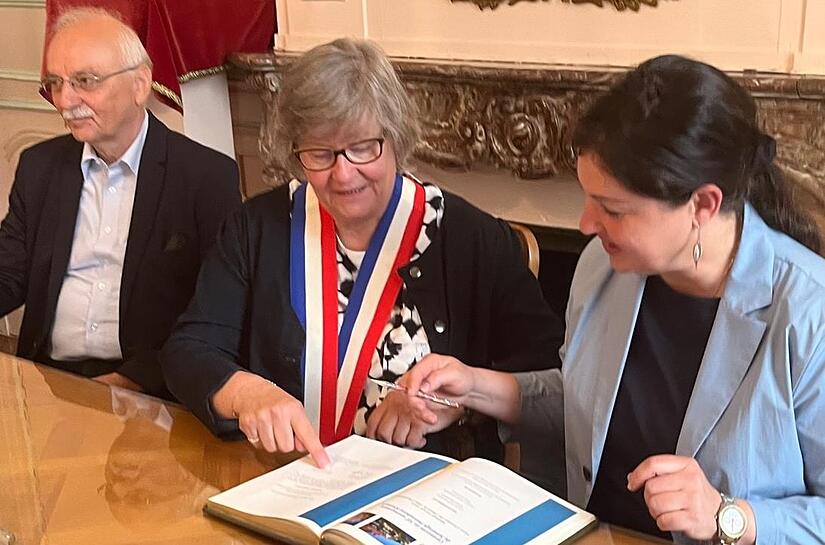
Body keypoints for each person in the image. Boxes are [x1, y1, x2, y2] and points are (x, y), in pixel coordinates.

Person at [401, 55, 825, 544]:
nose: (586, 224)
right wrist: (475, 388)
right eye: (587, 199)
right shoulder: (604, 268)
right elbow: (591, 406)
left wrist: (729, 516)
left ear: (703, 205)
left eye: (613, 209)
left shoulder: (807, 313)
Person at [161, 38, 562, 468]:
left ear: (396, 138)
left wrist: (456, 402)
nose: (343, 172)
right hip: (287, 478)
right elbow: (189, 348)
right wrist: (245, 393)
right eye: (320, 152)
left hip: (426, 487)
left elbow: (545, 378)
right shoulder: (256, 228)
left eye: (363, 147)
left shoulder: (471, 239)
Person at [0, 8, 241, 397]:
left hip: (151, 389)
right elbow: (8, 274)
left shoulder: (205, 177)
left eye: (84, 81)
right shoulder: (39, 166)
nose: (65, 100)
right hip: (49, 383)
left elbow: (216, 310)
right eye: (56, 83)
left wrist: (133, 380)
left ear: (140, 83)